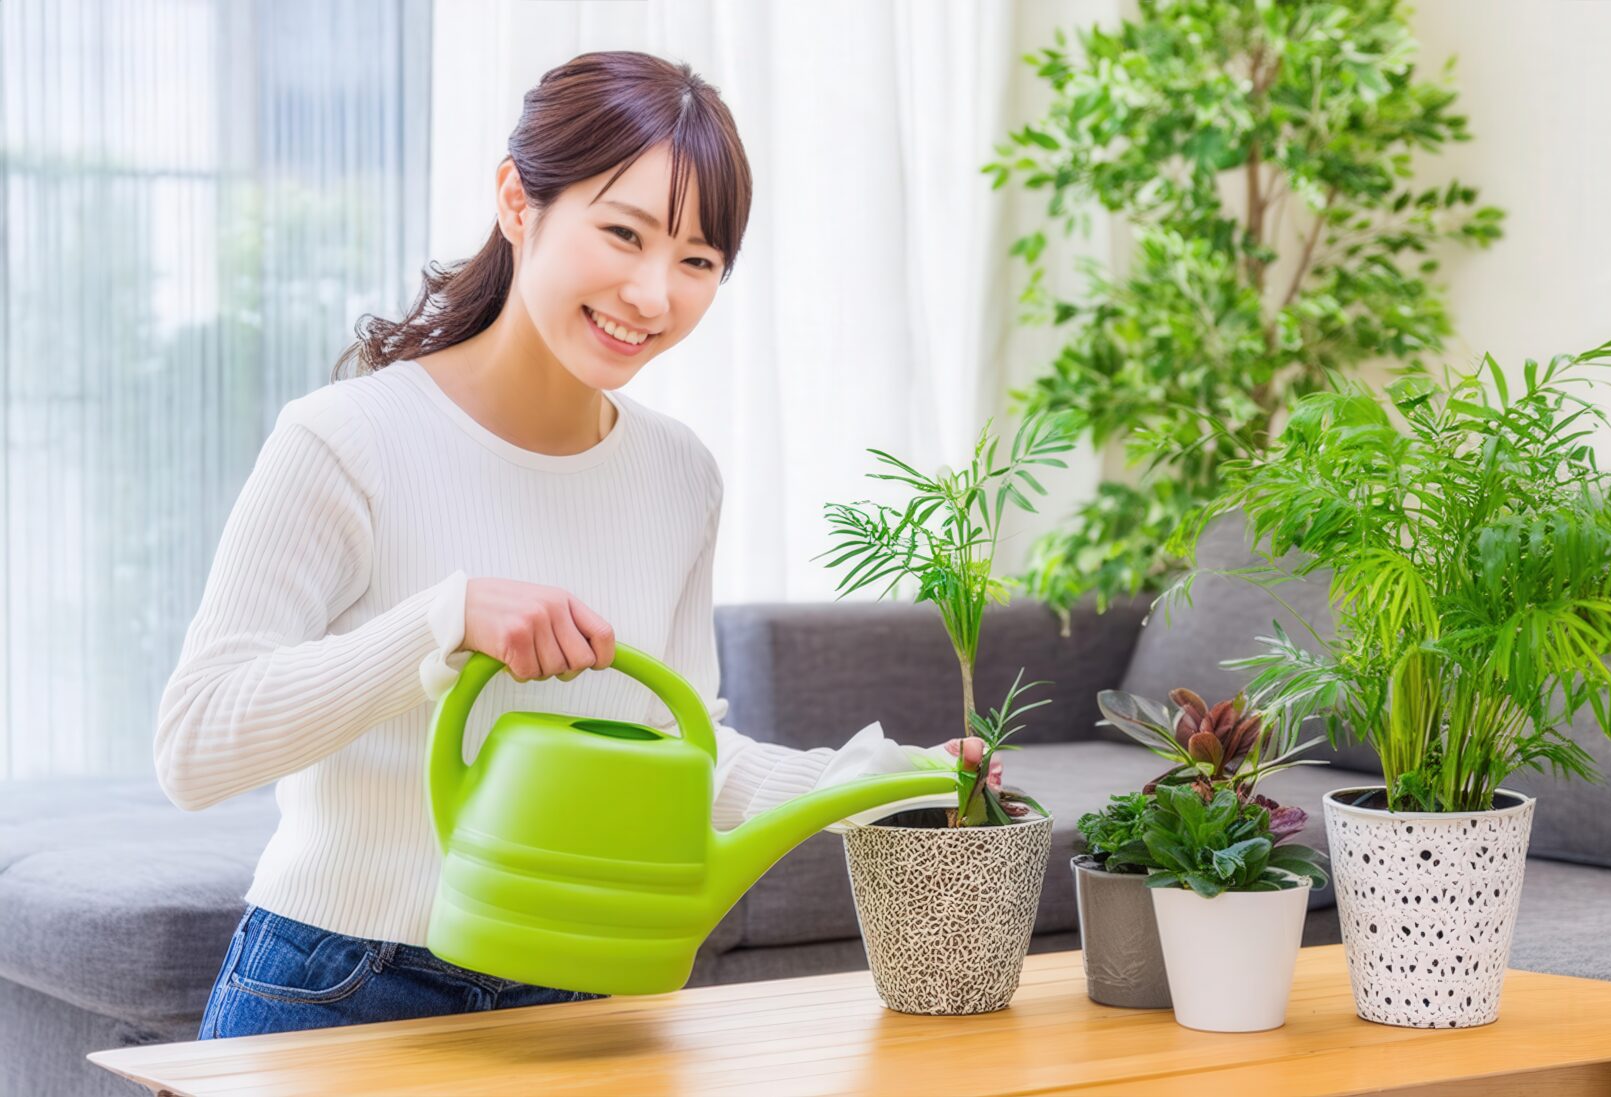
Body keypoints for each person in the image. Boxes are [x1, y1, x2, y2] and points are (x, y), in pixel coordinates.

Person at [156, 50, 998, 1041]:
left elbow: (687, 755)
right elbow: (195, 745)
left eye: (696, 260)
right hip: (341, 986)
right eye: (623, 233)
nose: (653, 294)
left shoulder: (680, 475)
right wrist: (442, 621)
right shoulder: (346, 440)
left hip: (586, 990)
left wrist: (885, 784)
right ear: (518, 200)